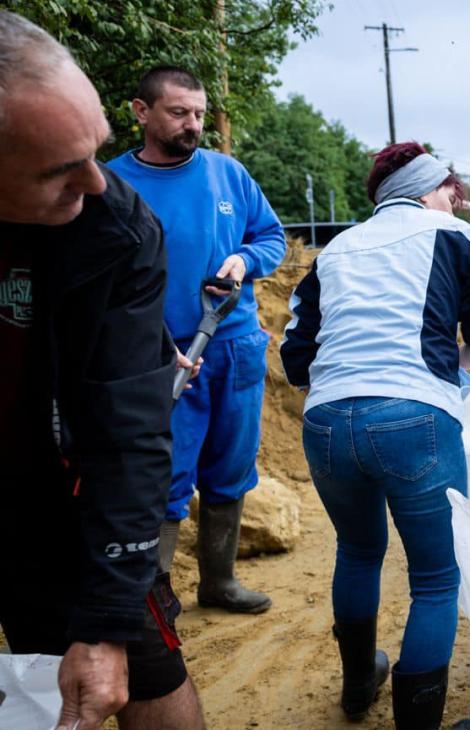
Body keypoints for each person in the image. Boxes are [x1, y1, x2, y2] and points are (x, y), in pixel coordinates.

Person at [0, 11, 205, 728]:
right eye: (60, 168)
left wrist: (110, 622)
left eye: (98, 151)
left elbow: (130, 429)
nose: (94, 180)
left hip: (67, 493)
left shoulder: (115, 227)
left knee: (132, 654)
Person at [281, 141, 470, 729]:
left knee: (357, 550)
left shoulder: (334, 252)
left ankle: (358, 684)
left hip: (328, 420)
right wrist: (445, 365)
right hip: (414, 415)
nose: (455, 203)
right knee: (435, 577)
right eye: (450, 192)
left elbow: (295, 355)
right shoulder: (454, 236)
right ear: (430, 190)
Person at [108, 66, 284, 615]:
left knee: (231, 470)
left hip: (234, 346)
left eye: (200, 114)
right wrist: (149, 343)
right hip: (162, 356)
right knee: (166, 476)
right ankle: (155, 592)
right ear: (141, 112)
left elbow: (271, 237)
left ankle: (219, 582)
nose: (194, 125)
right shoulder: (112, 184)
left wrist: (244, 259)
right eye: (179, 113)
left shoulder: (228, 174)